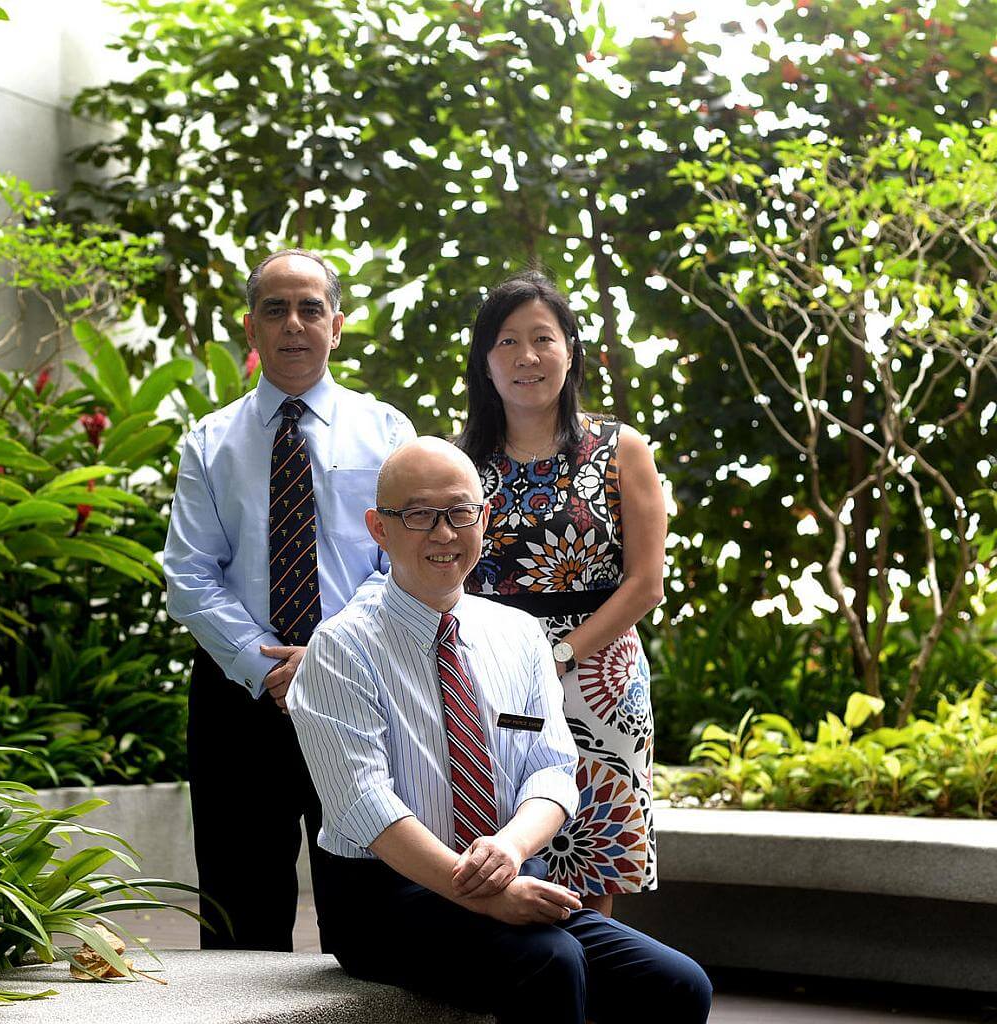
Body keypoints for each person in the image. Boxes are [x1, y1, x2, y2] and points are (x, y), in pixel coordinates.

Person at [288, 437, 709, 1024]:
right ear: (379, 529)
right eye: (419, 514)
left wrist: (510, 850)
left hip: (511, 867)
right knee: (551, 961)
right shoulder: (341, 646)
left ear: (484, 519)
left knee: (679, 985)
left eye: (460, 512)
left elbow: (552, 771)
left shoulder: (519, 634)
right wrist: (483, 895)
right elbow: (365, 806)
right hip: (387, 896)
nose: (443, 533)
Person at [162, 249, 415, 950]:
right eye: (275, 310)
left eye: (310, 309)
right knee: (238, 911)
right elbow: (189, 573)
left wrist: (326, 655)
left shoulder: (387, 432)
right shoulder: (210, 441)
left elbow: (406, 560)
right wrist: (268, 665)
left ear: (337, 324)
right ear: (251, 329)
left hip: (361, 687)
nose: (294, 324)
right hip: (238, 695)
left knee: (369, 907)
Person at [457, 270, 667, 916]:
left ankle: (594, 975)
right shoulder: (459, 462)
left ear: (570, 351)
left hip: (598, 677)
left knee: (590, 858)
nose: (527, 356)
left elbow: (646, 582)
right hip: (490, 678)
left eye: (543, 338)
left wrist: (562, 653)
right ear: (485, 362)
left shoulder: (621, 448)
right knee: (494, 850)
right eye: (507, 341)